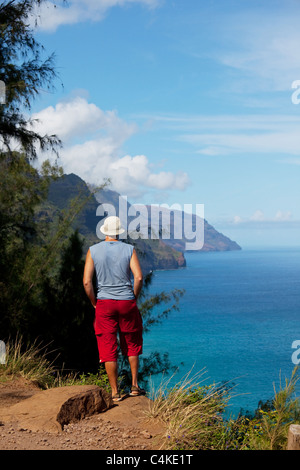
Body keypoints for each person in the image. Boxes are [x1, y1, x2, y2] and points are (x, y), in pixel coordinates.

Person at [83, 215, 145, 402]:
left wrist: (94, 302)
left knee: (108, 346)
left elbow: (87, 282)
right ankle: (134, 386)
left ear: (104, 232)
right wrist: (133, 297)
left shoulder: (93, 250)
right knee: (132, 343)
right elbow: (139, 278)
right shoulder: (129, 249)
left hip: (104, 303)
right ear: (119, 232)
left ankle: (115, 392)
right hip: (127, 302)